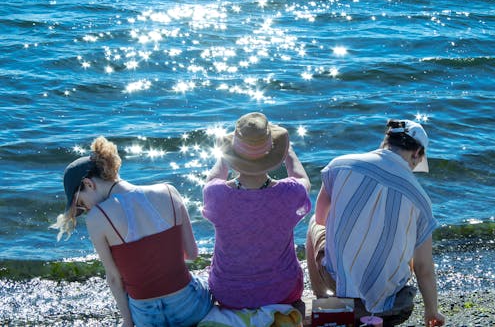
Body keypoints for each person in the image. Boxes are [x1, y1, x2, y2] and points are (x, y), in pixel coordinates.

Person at [51, 136, 213, 327]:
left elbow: (114, 278)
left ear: (88, 184)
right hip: (189, 308)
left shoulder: (97, 218)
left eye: (81, 204)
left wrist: (128, 322)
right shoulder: (169, 191)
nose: (85, 210)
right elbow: (192, 255)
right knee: (206, 280)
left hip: (146, 316)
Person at [306, 119, 445, 326]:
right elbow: (423, 267)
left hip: (337, 283)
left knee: (314, 225)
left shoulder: (340, 165)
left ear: (386, 141)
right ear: (416, 153)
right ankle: (370, 305)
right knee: (407, 246)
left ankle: (328, 303)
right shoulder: (421, 199)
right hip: (390, 296)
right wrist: (432, 311)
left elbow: (321, 218)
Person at [203, 112, 311, 316]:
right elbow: (302, 180)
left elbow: (211, 180)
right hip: (284, 291)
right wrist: (289, 153)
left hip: (228, 294)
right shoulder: (290, 193)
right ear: (274, 154)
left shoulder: (216, 194)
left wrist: (226, 156)